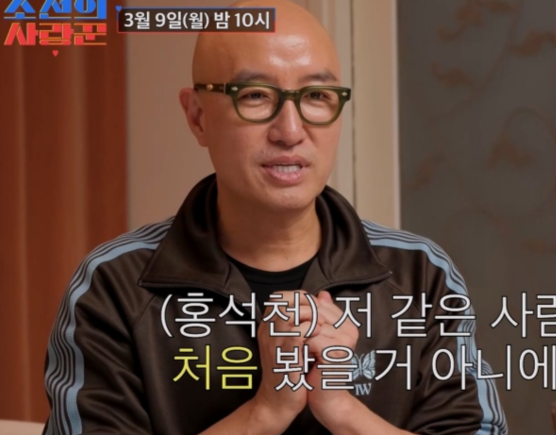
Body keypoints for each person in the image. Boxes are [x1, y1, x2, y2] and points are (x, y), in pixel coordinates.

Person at [41, 1, 508, 434]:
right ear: (198, 116)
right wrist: (265, 411)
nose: (290, 131)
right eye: (255, 96)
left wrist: (343, 410)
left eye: (317, 95)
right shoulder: (114, 287)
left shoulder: (420, 275)